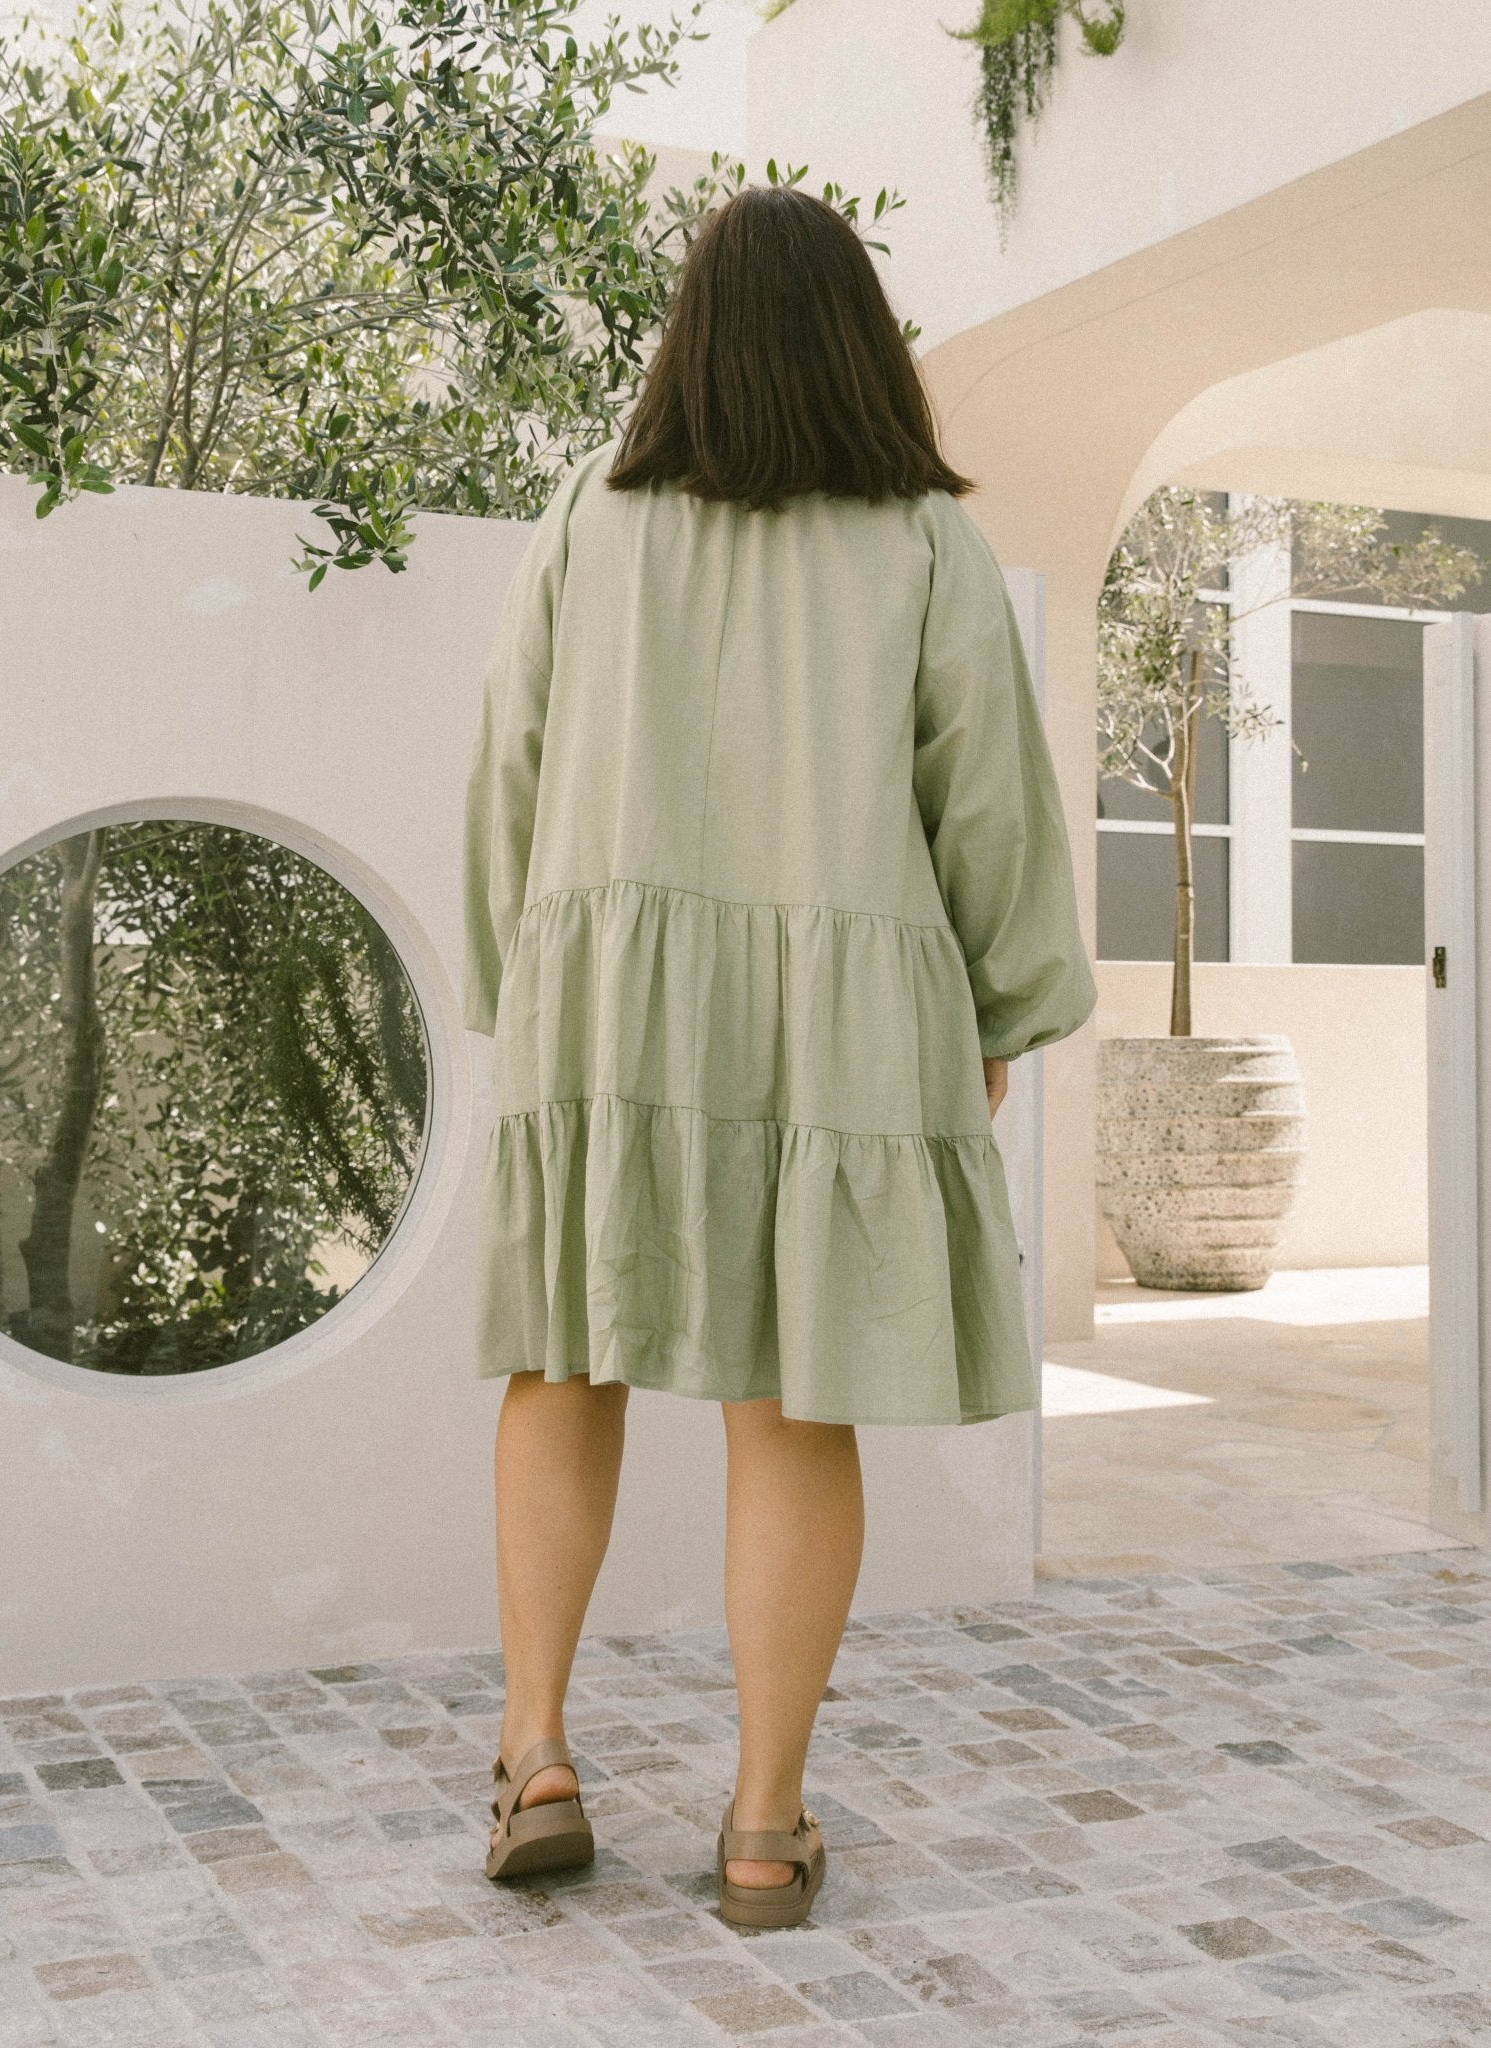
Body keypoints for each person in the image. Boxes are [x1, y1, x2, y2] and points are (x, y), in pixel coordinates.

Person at [460, 183, 1096, 1928]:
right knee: (793, 1397)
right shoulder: (920, 541)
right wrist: (1000, 1010)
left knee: (565, 1364)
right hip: (838, 1016)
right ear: (858, 344)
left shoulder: (590, 513)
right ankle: (759, 1827)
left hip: (609, 996)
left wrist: (526, 987)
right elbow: (989, 801)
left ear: (689, 338)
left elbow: (510, 759)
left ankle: (536, 1756)